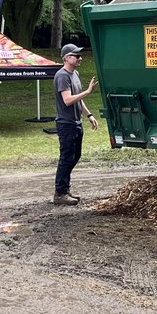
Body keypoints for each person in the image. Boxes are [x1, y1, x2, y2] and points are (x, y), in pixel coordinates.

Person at [53, 43, 98, 205]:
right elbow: (67, 100)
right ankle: (60, 193)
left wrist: (89, 115)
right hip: (66, 124)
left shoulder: (75, 73)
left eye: (80, 55)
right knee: (66, 158)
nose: (80, 58)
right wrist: (87, 91)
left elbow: (78, 98)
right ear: (66, 58)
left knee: (75, 156)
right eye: (76, 55)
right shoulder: (62, 76)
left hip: (76, 122)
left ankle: (64, 188)